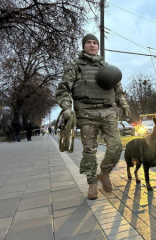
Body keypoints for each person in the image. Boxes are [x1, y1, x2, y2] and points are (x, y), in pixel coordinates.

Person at [55, 34, 130, 200]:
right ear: (84, 46)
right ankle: (92, 183)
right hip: (86, 112)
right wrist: (66, 107)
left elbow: (118, 90)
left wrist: (124, 105)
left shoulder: (107, 67)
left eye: (95, 42)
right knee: (90, 149)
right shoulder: (75, 66)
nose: (92, 45)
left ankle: (104, 172)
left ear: (98, 46)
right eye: (88, 42)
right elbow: (63, 89)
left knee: (116, 146)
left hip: (109, 111)